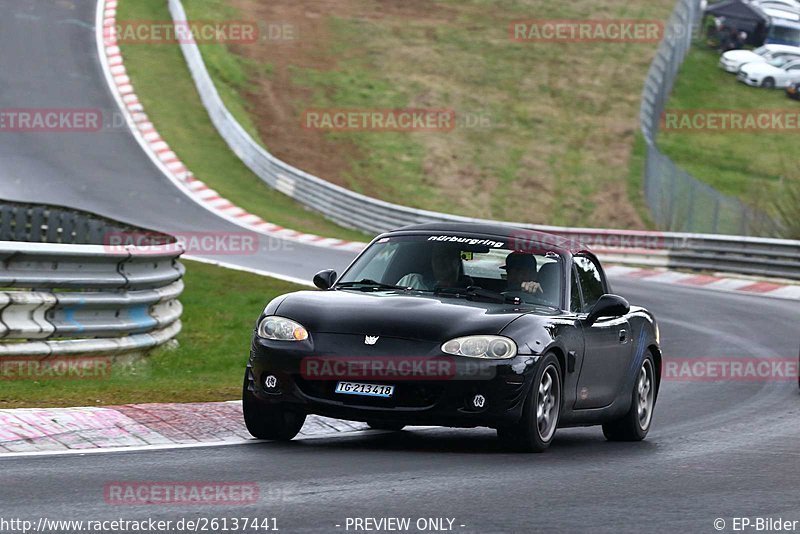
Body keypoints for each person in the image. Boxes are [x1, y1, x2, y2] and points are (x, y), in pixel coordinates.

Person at [397, 246, 471, 290]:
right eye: (437, 257)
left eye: (446, 257)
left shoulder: (472, 292)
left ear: (457, 260)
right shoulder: (410, 281)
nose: (440, 262)